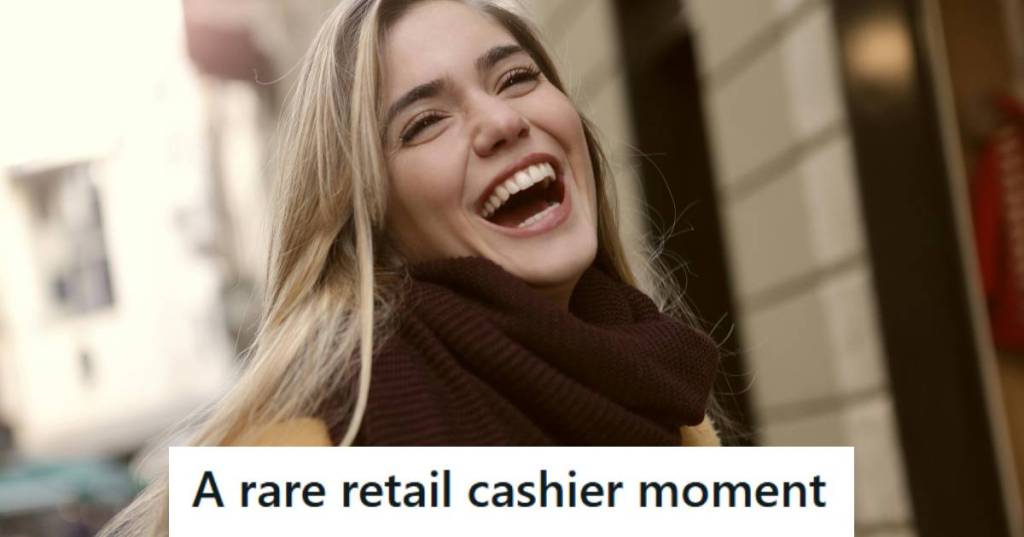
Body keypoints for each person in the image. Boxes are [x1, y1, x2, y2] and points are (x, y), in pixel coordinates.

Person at [100, 0, 724, 534]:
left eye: (515, 78)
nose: (503, 122)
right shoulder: (294, 469)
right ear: (369, 218)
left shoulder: (666, 398)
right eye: (425, 122)